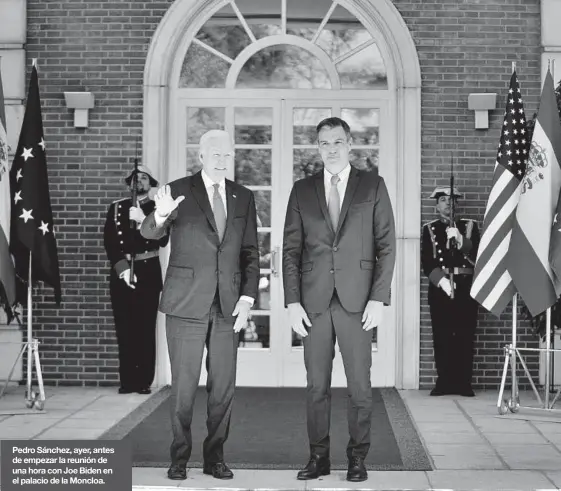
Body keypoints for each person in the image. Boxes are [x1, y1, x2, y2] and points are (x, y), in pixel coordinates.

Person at [140, 129, 259, 481]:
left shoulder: (243, 196)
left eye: (227, 154)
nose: (223, 160)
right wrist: (160, 215)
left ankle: (215, 458)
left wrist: (248, 297)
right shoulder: (176, 190)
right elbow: (150, 234)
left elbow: (249, 251)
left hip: (227, 307)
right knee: (184, 387)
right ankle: (179, 458)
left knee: (223, 389)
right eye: (216, 154)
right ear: (202, 156)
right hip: (185, 305)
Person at [282, 117, 396, 483]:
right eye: (323, 143)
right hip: (312, 303)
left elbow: (386, 246)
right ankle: (318, 458)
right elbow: (290, 250)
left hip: (358, 303)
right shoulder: (302, 190)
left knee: (359, 386)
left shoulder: (372, 186)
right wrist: (292, 301)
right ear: (318, 147)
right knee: (316, 386)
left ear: (350, 144)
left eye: (337, 141)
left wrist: (379, 298)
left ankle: (357, 458)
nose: (330, 148)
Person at [103, 165, 167, 395]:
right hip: (122, 275)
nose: (138, 181)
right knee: (125, 328)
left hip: (148, 272)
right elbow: (110, 242)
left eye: (143, 178)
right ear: (129, 183)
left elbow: (163, 239)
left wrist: (143, 220)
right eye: (134, 178)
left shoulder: (158, 208)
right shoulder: (116, 208)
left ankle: (143, 382)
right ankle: (127, 381)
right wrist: (122, 270)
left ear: (150, 183)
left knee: (145, 329)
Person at [421, 186, 480, 397]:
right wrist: (442, 281)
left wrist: (461, 240)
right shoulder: (429, 228)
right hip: (441, 288)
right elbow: (427, 260)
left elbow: (478, 257)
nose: (448, 203)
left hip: (465, 287)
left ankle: (463, 383)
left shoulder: (470, 226)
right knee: (442, 336)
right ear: (437, 206)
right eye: (444, 200)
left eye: (452, 199)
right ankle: (444, 382)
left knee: (464, 335)